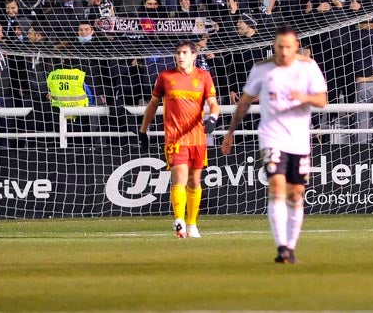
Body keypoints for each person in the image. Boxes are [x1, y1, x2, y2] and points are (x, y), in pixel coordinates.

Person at [221, 26, 328, 264]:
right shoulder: (262, 69)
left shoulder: (308, 67)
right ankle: (281, 248)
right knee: (277, 188)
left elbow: (322, 100)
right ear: (274, 45)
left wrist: (304, 97)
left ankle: (291, 246)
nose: (284, 52)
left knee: (296, 193)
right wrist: (230, 132)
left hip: (299, 140)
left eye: (289, 47)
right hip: (272, 137)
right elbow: (244, 102)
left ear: (296, 45)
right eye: (279, 46)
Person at [138, 40, 220, 239]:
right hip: (175, 139)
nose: (180, 56)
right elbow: (153, 105)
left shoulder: (204, 77)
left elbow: (213, 103)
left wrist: (212, 119)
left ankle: (192, 224)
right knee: (180, 179)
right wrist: (143, 130)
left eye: (184, 53)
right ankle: (179, 221)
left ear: (194, 56)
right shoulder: (165, 77)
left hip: (198, 139)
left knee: (194, 181)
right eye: (178, 53)